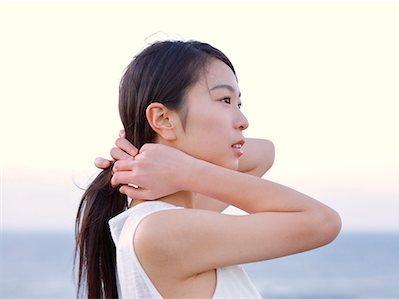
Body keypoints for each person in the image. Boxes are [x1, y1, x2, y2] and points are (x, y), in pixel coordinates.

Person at [75, 40, 342, 299]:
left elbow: (264, 153)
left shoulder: (174, 216)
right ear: (163, 118)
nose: (243, 121)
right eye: (225, 100)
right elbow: (322, 221)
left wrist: (170, 164)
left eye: (239, 104)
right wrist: (186, 171)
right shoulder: (160, 230)